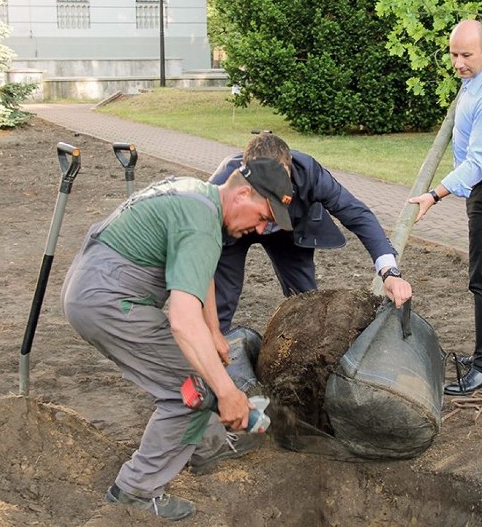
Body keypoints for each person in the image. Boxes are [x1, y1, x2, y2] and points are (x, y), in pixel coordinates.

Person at [60, 159, 294, 521]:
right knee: (192, 390)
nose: (262, 229)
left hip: (93, 287)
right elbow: (183, 322)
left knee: (195, 375)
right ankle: (136, 489)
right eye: (264, 216)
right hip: (110, 300)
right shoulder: (201, 224)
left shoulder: (198, 198)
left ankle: (203, 445)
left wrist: (214, 330)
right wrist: (229, 393)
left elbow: (201, 270)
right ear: (244, 193)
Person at [409, 19, 482, 395]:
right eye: (453, 54)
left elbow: (478, 162)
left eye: (466, 55)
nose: (459, 63)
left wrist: (434, 194)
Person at [209, 132, 413, 333]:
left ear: (289, 166)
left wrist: (389, 271)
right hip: (235, 228)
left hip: (288, 230)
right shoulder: (222, 186)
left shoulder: (309, 173)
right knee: (222, 298)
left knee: (306, 300)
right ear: (245, 171)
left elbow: (356, 213)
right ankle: (213, 350)